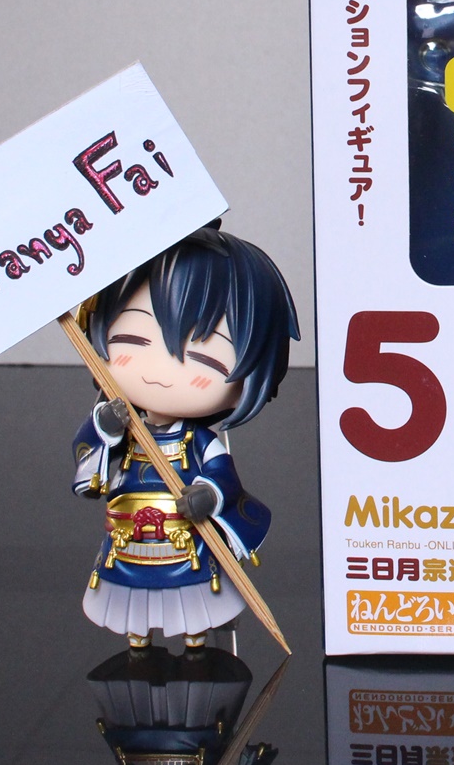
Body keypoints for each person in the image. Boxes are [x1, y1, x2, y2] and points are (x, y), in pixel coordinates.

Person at [72, 226, 298, 648]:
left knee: (193, 599)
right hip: (127, 541)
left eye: (202, 358)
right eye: (134, 340)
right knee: (131, 604)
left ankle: (195, 637)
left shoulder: (199, 442)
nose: (159, 371)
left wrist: (208, 495)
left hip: (185, 542)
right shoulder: (122, 429)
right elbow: (89, 459)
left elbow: (223, 478)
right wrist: (106, 425)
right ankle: (137, 636)